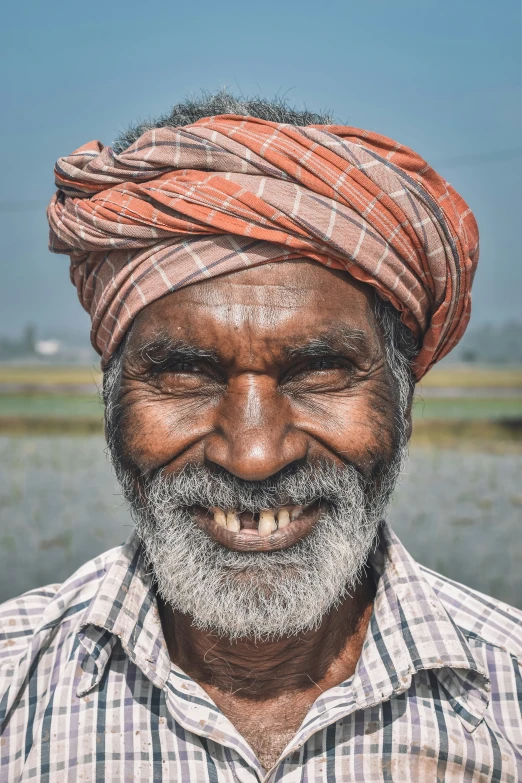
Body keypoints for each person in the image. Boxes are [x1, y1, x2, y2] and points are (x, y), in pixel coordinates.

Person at [1, 91, 521, 782]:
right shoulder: (15, 686)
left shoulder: (507, 698)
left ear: (401, 397)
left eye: (318, 371)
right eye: (186, 373)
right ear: (112, 398)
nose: (252, 454)